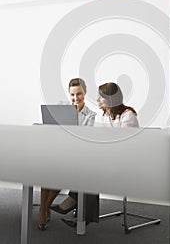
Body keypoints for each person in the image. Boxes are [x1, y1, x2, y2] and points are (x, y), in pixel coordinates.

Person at [53, 82, 139, 229]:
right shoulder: (104, 115)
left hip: (127, 163)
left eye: (101, 98)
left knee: (89, 171)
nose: (98, 101)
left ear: (111, 99)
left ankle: (75, 207)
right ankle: (80, 216)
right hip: (109, 161)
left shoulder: (127, 116)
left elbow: (125, 146)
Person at [38, 78, 97, 230]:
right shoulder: (60, 107)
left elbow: (86, 137)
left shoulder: (90, 115)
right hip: (57, 149)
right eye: (72, 95)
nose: (75, 98)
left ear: (85, 93)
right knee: (47, 171)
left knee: (61, 174)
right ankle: (42, 210)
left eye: (79, 94)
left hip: (76, 154)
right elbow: (51, 129)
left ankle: (45, 207)